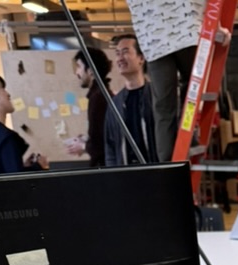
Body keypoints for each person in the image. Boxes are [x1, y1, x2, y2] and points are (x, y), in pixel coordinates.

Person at [124, 0, 204, 162]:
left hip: (152, 35)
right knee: (191, 90)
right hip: (186, 25)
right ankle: (188, 135)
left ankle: (167, 163)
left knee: (163, 107)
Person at [104, 34, 158, 166]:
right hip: (126, 173)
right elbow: (110, 146)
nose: (120, 58)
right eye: (117, 53)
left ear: (141, 58)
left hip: (156, 170)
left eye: (125, 52)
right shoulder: (115, 104)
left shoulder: (156, 96)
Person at [64, 47, 112, 168]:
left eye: (79, 67)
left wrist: (82, 146)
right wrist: (86, 140)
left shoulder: (98, 97)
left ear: (90, 71)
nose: (77, 73)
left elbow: (103, 142)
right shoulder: (100, 94)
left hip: (104, 167)